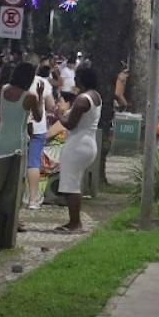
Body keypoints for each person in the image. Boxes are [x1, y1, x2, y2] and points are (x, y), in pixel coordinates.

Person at [53, 66, 101, 233]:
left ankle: (75, 222)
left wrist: (59, 114)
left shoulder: (82, 99)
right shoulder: (95, 96)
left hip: (77, 144)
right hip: (88, 142)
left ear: (81, 79)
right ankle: (74, 221)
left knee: (70, 185)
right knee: (73, 183)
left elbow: (70, 124)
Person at [26, 61, 54, 209]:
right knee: (34, 162)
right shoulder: (42, 82)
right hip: (38, 127)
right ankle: (32, 198)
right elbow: (51, 105)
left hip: (21, 127)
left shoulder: (15, 83)